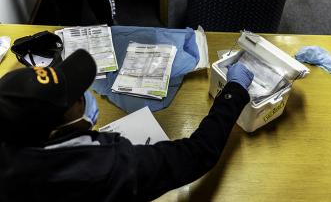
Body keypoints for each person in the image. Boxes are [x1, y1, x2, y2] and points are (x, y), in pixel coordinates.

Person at [0, 49, 253, 201]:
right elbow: (197, 154)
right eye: (77, 97)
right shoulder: (108, 167)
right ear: (55, 132)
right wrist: (233, 92)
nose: (88, 95)